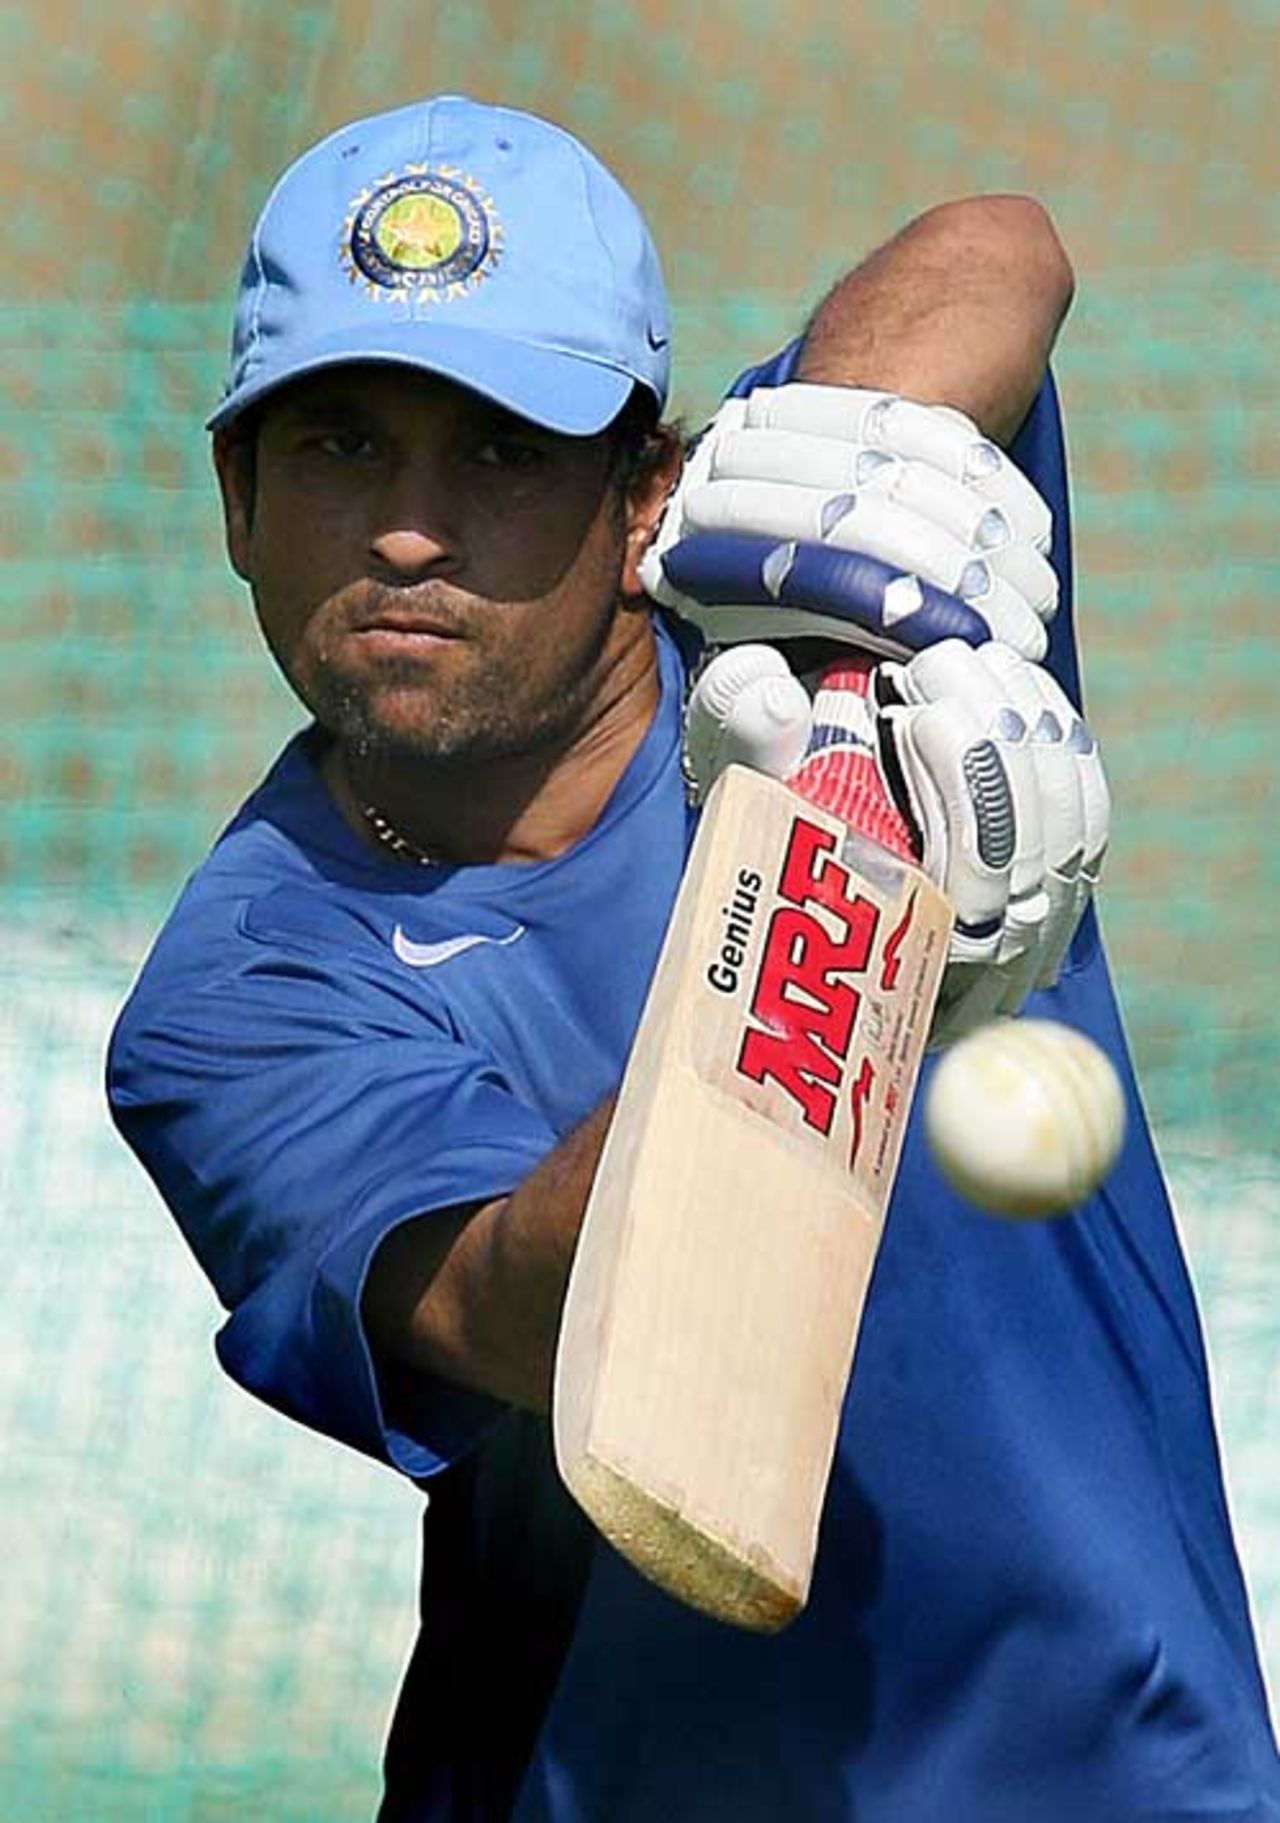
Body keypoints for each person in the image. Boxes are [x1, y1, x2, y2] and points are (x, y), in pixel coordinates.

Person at [107, 95, 1280, 1821]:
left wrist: (849, 603)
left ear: (645, 492)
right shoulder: (235, 995)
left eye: (502, 453)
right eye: (339, 446)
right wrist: (833, 896)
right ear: (236, 496)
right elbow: (518, 1307)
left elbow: (996, 246)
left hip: (1132, 1773)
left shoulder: (809, 617)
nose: (411, 532)